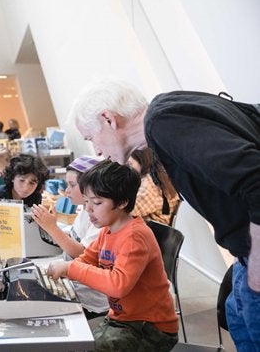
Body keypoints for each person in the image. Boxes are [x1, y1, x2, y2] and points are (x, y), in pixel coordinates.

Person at [69, 79, 260, 350]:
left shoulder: (164, 122)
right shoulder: (168, 115)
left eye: (91, 138)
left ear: (108, 119)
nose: (97, 150)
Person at [46, 160, 179, 351]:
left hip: (149, 326)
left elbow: (118, 285)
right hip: (123, 318)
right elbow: (86, 259)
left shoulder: (134, 236)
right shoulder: (107, 232)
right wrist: (64, 270)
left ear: (122, 202)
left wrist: (71, 269)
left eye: (97, 202)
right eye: (86, 201)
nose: (89, 209)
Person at [31, 156, 109, 318]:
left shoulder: (100, 217)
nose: (67, 191)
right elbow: (74, 238)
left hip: (90, 295)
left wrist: (52, 228)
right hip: (75, 280)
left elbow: (81, 254)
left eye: (72, 185)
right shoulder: (84, 211)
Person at [127, 148, 180, 226]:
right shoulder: (159, 173)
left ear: (142, 161)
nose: (128, 168)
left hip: (156, 234)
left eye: (130, 164)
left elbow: (128, 212)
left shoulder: (149, 185)